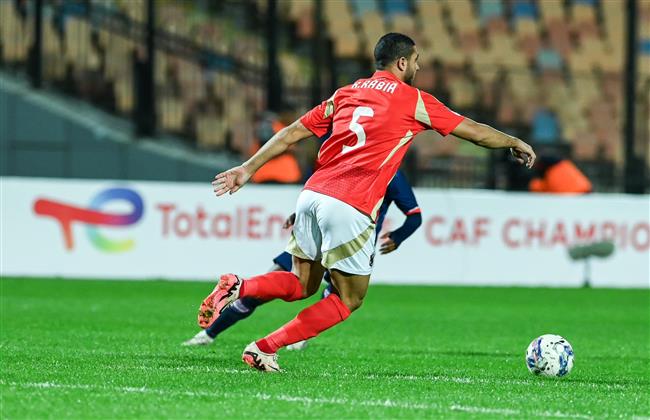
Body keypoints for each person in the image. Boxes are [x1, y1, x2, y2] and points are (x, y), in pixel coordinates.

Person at [208, 33, 535, 372]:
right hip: (350, 203)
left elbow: (292, 132)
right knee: (349, 298)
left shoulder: (346, 93)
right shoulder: (414, 100)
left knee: (300, 283)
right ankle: (265, 347)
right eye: (417, 59)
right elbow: (472, 130)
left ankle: (240, 285)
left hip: (312, 194)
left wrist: (247, 168)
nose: (420, 66)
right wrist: (512, 141)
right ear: (402, 62)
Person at [183, 170, 422, 348]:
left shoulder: (384, 171)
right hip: (346, 241)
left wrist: (399, 236)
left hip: (338, 237)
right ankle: (217, 333)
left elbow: (414, 216)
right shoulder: (353, 161)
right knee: (342, 297)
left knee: (313, 289)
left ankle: (233, 312)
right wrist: (300, 216)